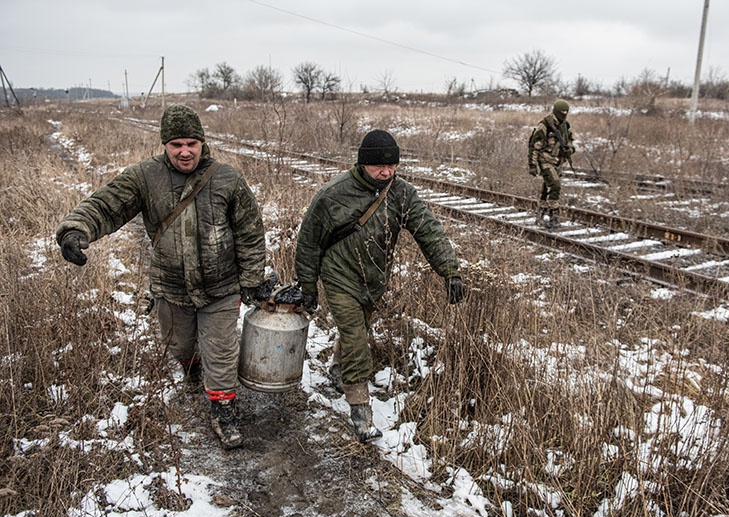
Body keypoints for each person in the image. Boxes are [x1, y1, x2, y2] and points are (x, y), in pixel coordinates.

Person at [56, 104, 274, 450]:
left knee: (220, 351)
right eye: (176, 144)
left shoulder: (227, 178)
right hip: (171, 287)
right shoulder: (145, 177)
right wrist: (75, 229)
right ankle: (191, 370)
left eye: (191, 143)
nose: (185, 151)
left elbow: (250, 230)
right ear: (164, 145)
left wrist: (250, 278)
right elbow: (106, 205)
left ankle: (223, 409)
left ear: (202, 142)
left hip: (221, 286)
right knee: (181, 347)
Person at [294, 129, 466, 443]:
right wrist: (307, 285)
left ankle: (336, 368)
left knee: (357, 329)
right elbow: (308, 242)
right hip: (339, 275)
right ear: (362, 164)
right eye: (378, 166)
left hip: (373, 279)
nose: (385, 172)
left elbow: (428, 230)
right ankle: (361, 414)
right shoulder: (334, 194)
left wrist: (450, 272)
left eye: (391, 166)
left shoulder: (401, 193)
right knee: (358, 340)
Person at [528, 99, 576, 229]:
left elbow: (570, 142)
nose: (564, 114)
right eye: (562, 111)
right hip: (545, 160)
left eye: (566, 111)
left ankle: (541, 214)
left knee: (547, 187)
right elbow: (534, 146)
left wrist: (569, 150)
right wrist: (532, 165)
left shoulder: (565, 126)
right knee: (555, 186)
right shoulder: (545, 125)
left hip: (558, 161)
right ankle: (553, 215)